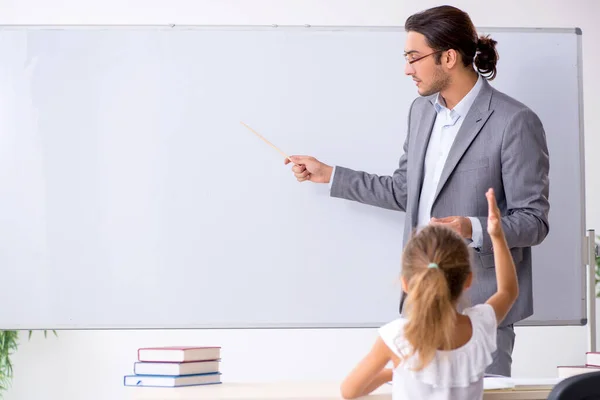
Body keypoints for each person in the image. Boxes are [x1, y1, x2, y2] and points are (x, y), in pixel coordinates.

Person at [284, 5, 549, 376]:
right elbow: (404, 192)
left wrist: (470, 227)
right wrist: (329, 174)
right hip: (419, 305)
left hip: (480, 305)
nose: (407, 69)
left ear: (449, 57)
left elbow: (533, 221)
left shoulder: (514, 121)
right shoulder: (421, 111)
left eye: (413, 57)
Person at [338, 188, 519, 399]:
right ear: (468, 280)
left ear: (405, 283)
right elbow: (508, 291)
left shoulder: (396, 337)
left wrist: (393, 373)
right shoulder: (479, 326)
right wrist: (496, 235)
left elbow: (349, 391)